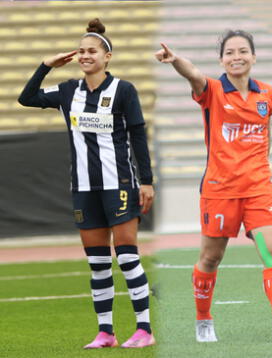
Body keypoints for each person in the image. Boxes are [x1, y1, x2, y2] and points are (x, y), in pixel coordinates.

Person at [154, 30, 272, 343]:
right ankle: (203, 319)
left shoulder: (267, 94)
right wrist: (176, 61)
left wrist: (260, 171)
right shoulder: (212, 89)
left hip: (259, 188)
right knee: (211, 258)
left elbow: (264, 135)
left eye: (243, 51)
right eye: (229, 52)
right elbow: (194, 74)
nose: (236, 57)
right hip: (220, 189)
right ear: (221, 60)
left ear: (254, 57)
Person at [17, 18, 155, 349]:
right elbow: (27, 98)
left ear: (107, 57)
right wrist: (45, 65)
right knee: (97, 263)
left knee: (126, 258)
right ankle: (106, 332)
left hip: (119, 183)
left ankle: (144, 330)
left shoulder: (123, 90)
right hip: (83, 188)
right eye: (81, 51)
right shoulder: (68, 91)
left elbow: (137, 134)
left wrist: (146, 182)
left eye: (91, 51)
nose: (84, 55)